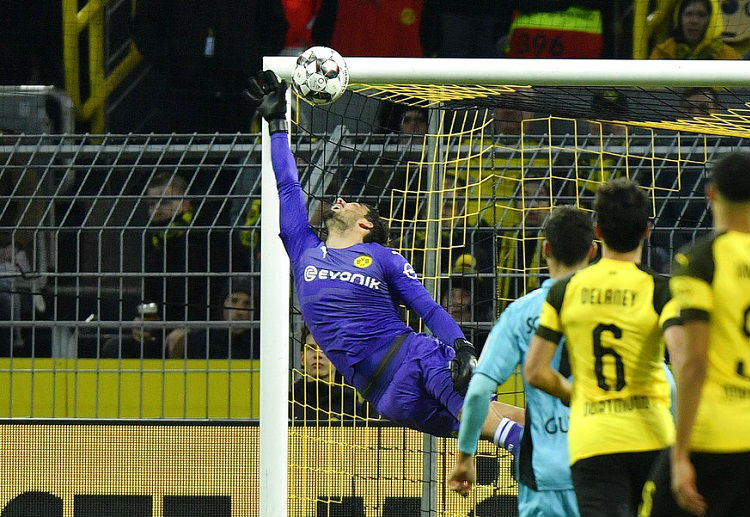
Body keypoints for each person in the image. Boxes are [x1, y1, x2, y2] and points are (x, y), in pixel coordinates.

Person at [245, 71, 525, 448]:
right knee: (488, 421)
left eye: (352, 202)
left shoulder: (382, 257)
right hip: (386, 398)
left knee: (490, 423)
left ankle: (561, 450)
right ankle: (557, 447)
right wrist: (279, 125)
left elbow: (426, 307)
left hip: (415, 357)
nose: (340, 200)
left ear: (365, 223)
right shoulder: (303, 247)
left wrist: (462, 348)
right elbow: (287, 185)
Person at [523, 177, 683, 517]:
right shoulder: (661, 290)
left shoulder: (564, 291)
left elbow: (536, 372)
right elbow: (684, 362)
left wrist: (573, 393)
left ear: (597, 231)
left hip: (593, 438)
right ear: (647, 231)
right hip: (652, 434)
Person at [449, 206, 596, 517]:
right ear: (592, 251)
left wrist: (465, 457)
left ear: (545, 249)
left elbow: (477, 392)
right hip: (603, 460)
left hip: (543, 468)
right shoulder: (617, 308)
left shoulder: (521, 312)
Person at [641, 152, 750, 517]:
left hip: (714, 433)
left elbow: (694, 362)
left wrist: (681, 453)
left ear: (712, 194)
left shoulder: (700, 260)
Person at [131, 0, 287, 133]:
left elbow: (275, 25)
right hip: (179, 92)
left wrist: (248, 63)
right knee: (182, 159)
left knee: (232, 158)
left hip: (236, 92)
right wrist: (175, 65)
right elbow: (145, 28)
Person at [165, 277, 259, 359]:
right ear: (223, 304)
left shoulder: (263, 344)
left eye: (247, 304)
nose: (239, 311)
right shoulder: (202, 340)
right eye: (234, 301)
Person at [290, 326, 367, 422]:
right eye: (311, 348)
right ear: (302, 358)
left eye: (324, 348)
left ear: (337, 359)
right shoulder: (288, 402)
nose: (317, 355)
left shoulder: (351, 405)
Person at [649, 0, 741, 60]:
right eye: (689, 14)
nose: (694, 21)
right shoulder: (662, 53)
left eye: (701, 15)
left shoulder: (728, 57)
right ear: (679, 17)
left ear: (711, 20)